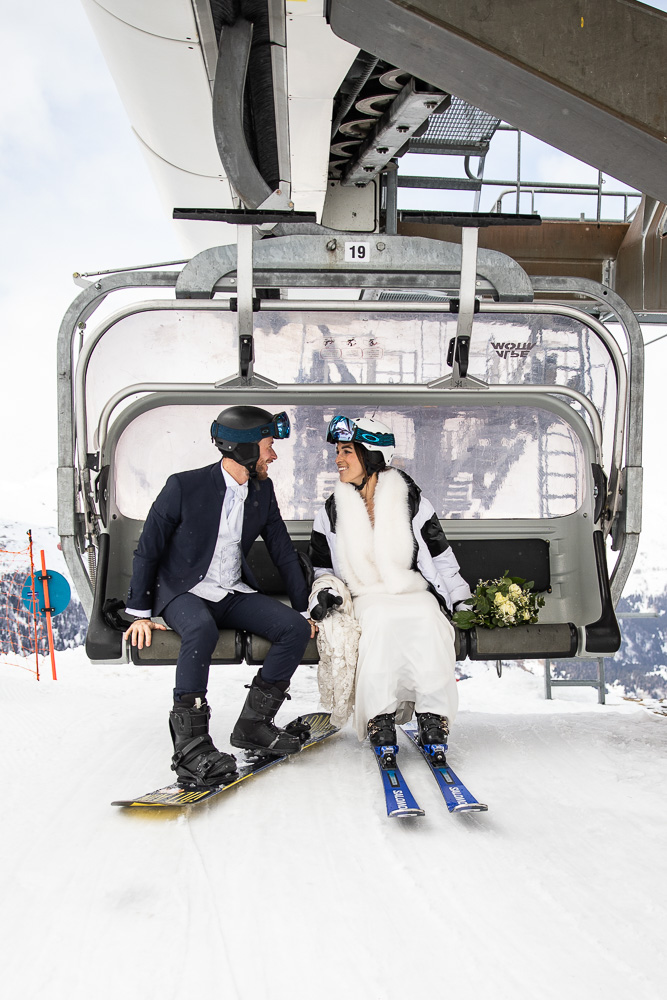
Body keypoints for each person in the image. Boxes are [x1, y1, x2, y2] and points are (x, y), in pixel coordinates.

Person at [123, 405, 315, 788]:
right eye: (267, 446)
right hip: (184, 591)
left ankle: (254, 727)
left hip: (230, 590)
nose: (272, 455)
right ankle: (191, 748)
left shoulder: (262, 490)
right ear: (242, 448)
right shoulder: (183, 486)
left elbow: (281, 550)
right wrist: (139, 613)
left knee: (293, 629)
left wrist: (305, 608)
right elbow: (149, 549)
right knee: (201, 630)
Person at [308, 415, 472, 750]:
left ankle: (432, 715)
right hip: (366, 594)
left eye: (347, 452)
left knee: (428, 619)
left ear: (371, 457)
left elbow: (441, 558)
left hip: (412, 589)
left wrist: (460, 600)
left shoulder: (413, 503)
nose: (338, 459)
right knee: (379, 622)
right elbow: (322, 568)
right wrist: (325, 592)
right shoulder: (330, 512)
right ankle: (379, 715)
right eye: (338, 451)